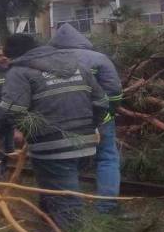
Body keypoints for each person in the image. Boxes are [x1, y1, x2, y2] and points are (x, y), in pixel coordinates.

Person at [0, 34, 108, 230]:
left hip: (52, 143)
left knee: (65, 199)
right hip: (85, 141)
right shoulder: (78, 65)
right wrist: (91, 126)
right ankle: (49, 229)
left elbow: (11, 110)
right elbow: (101, 102)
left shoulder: (20, 71)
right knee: (52, 187)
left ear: (13, 54)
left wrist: (0, 133)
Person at [49, 23, 124, 214]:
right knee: (107, 157)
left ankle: (71, 210)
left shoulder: (46, 61)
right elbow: (114, 91)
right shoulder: (98, 58)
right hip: (98, 117)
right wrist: (109, 113)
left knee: (68, 161)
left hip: (61, 120)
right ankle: (106, 207)